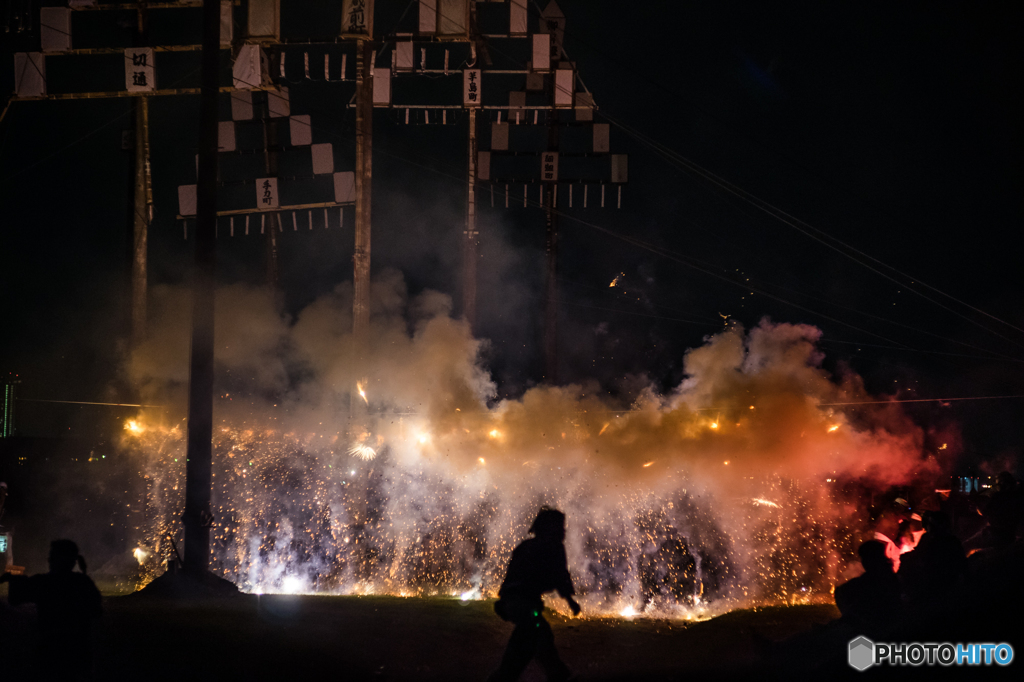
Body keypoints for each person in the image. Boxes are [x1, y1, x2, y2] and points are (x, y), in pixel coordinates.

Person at [488, 507, 581, 682]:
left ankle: (557, 674)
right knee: (535, 636)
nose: (563, 532)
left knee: (537, 639)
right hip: (522, 604)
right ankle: (558, 675)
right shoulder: (549, 547)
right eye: (560, 527)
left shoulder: (528, 546)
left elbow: (558, 577)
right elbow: (560, 577)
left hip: (517, 604)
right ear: (549, 528)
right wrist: (570, 601)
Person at [1, 539, 103, 680]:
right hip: (79, 651)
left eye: (52, 555)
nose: (48, 559)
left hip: (49, 650)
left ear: (55, 559)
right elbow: (96, 611)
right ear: (74, 561)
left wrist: (13, 580)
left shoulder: (44, 582)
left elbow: (15, 599)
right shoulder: (83, 582)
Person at [833, 540, 902, 636]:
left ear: (871, 558)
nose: (863, 561)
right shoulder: (886, 574)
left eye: (864, 557)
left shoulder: (878, 577)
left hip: (877, 624)